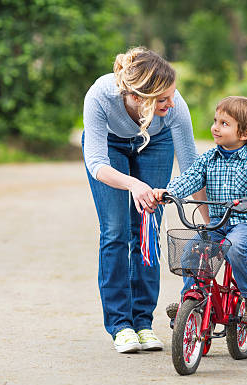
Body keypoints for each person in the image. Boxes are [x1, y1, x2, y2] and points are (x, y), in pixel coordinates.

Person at [82, 47, 207, 353]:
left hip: (156, 144)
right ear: (138, 98)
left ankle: (143, 323)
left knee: (147, 230)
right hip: (110, 148)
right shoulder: (100, 95)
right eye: (162, 99)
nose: (172, 103)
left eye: (172, 95)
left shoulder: (174, 108)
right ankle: (120, 326)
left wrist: (210, 219)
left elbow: (191, 168)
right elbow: (97, 164)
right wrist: (134, 184)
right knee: (115, 232)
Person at [153, 96, 247, 322]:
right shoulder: (208, 158)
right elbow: (190, 178)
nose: (215, 127)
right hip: (218, 222)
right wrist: (169, 193)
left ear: (244, 134)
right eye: (215, 121)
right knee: (190, 250)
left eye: (224, 124)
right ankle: (192, 299)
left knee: (235, 247)